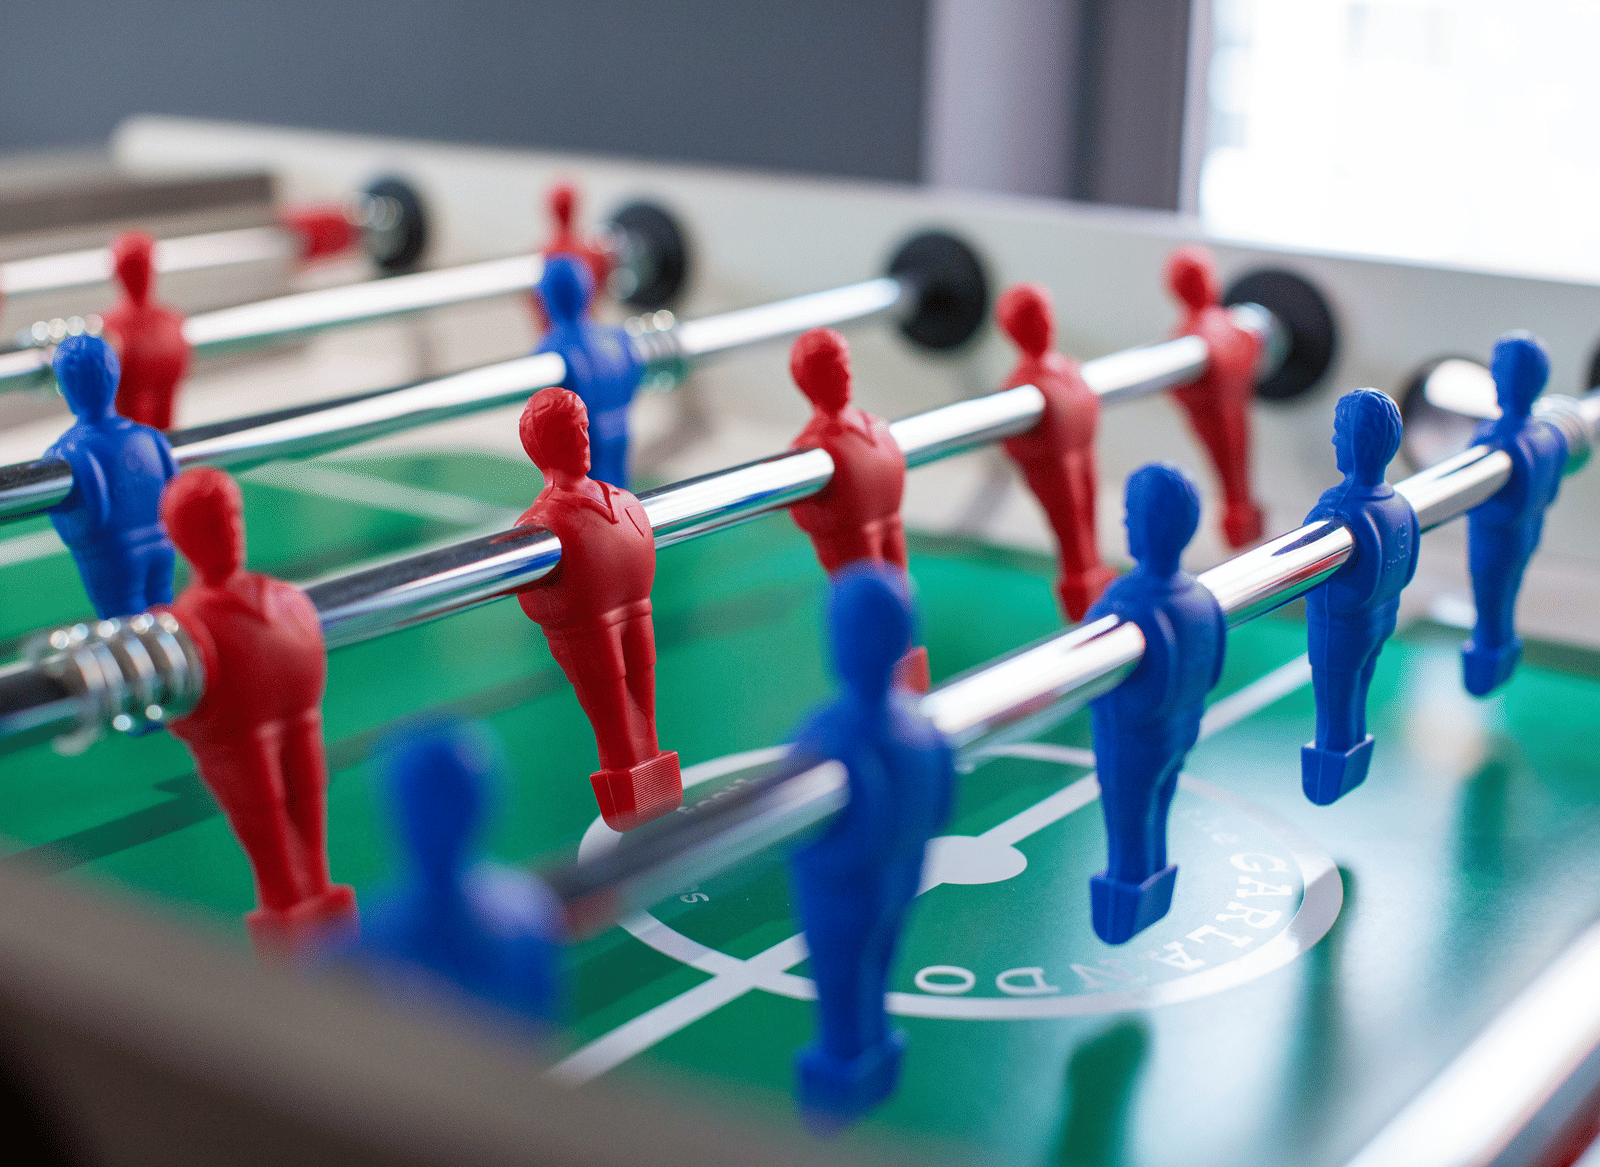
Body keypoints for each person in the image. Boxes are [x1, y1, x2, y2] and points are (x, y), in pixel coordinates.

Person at [164, 467, 355, 956]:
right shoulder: (189, 623)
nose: (229, 529)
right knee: (273, 848)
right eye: (211, 523)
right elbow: (182, 710)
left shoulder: (277, 594)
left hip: (299, 720)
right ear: (184, 540)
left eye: (231, 516)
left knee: (312, 830)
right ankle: (294, 939)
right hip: (241, 742)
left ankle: (326, 921)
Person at [515, 387, 680, 830]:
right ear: (543, 447)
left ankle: (653, 780)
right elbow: (535, 600)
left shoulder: (621, 499)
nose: (584, 439)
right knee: (614, 713)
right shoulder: (540, 524)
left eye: (584, 428)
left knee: (644, 688)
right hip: (591, 626)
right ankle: (631, 797)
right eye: (571, 432)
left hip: (633, 608)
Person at [1085, 462, 1226, 944]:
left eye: (1129, 514)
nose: (1124, 524)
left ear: (1147, 526)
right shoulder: (1202, 597)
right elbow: (1214, 669)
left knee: (1126, 825)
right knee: (1159, 808)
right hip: (1182, 732)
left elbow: (1088, 665)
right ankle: (1153, 890)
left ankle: (1124, 906)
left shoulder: (1124, 599)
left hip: (1130, 740)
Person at [1300, 389, 1419, 805]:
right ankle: (1352, 758)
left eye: (1338, 432)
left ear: (1357, 442)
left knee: (1333, 705)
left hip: (1340, 628)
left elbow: (1304, 567)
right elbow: (1409, 566)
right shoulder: (1399, 504)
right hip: (1382, 619)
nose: (1333, 441)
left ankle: (1330, 772)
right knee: (1359, 691)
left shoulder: (1337, 507)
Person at [44, 334, 177, 618]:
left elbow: (77, 522)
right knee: (168, 627)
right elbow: (174, 493)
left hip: (113, 559)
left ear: (67, 388)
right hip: (163, 550)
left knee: (128, 641)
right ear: (115, 377)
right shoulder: (150, 437)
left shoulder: (66, 452)